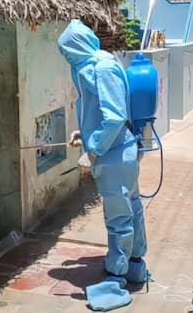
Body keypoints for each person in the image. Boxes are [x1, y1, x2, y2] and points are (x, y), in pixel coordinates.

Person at [58, 19, 148, 284]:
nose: (68, 58)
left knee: (119, 216)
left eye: (68, 52)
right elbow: (99, 111)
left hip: (113, 154)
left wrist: (94, 148)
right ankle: (134, 264)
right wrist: (84, 134)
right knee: (131, 207)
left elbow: (115, 116)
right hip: (119, 150)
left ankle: (115, 278)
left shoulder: (102, 68)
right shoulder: (98, 64)